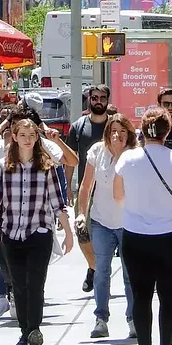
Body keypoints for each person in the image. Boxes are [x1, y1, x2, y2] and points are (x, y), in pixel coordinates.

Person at [113, 106, 172, 345]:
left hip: (136, 234)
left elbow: (118, 195)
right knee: (169, 294)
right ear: (168, 130)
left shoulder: (127, 160)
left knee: (140, 295)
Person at [0, 118, 73, 345]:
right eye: (23, 135)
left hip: (39, 232)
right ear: (14, 137)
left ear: (37, 139)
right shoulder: (4, 166)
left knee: (35, 283)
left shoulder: (46, 166)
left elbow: (58, 202)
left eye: (32, 136)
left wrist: (68, 231)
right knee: (18, 285)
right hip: (11, 233)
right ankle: (25, 331)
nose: (27, 140)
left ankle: (34, 329)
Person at [76, 114, 137, 339]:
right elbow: (85, 186)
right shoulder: (97, 152)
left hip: (128, 222)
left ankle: (133, 319)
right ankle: (101, 319)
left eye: (122, 131)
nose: (117, 135)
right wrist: (81, 213)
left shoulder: (134, 155)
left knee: (130, 273)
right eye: (113, 130)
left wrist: (121, 153)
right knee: (101, 270)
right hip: (101, 220)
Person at [66, 86, 111, 292]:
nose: (98, 101)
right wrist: (67, 186)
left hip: (112, 189)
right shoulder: (78, 126)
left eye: (102, 98)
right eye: (94, 98)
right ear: (89, 100)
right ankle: (94, 267)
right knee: (82, 231)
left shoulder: (115, 126)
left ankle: (100, 269)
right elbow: (69, 159)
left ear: (108, 100)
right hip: (85, 188)